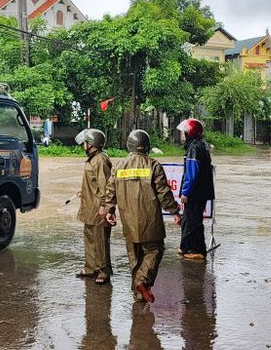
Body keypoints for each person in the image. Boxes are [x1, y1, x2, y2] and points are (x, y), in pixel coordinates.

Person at [103, 129, 181, 303]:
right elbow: (163, 193)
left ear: (129, 145)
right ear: (147, 146)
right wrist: (175, 211)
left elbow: (110, 191)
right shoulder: (153, 165)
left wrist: (109, 210)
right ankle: (142, 282)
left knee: (135, 257)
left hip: (128, 219)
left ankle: (138, 293)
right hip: (150, 219)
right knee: (154, 250)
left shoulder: (119, 165)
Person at [74, 128, 113, 284]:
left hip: (98, 208)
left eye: (85, 142)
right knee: (90, 238)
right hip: (89, 207)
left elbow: (106, 186)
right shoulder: (92, 159)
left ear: (91, 144)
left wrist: (105, 206)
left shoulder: (101, 160)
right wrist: (83, 190)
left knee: (100, 241)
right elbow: (93, 183)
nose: (83, 145)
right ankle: (90, 268)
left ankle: (103, 271)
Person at [176, 118, 215, 260]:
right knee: (188, 218)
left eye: (184, 132)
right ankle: (185, 246)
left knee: (193, 220)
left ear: (190, 132)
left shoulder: (194, 148)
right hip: (202, 190)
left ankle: (196, 249)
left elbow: (192, 174)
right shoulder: (200, 144)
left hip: (196, 192)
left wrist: (185, 192)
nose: (182, 135)